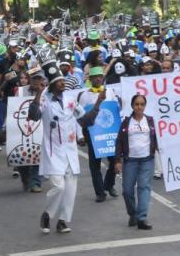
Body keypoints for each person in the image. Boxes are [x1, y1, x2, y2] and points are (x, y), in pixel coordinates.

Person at [28, 64, 83, 234]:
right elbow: (34, 116)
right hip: (53, 151)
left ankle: (62, 221)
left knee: (71, 188)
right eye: (59, 82)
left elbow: (83, 117)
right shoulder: (45, 100)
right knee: (59, 187)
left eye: (63, 81)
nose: (62, 84)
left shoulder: (70, 99)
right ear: (51, 85)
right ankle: (47, 214)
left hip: (70, 150)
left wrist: (99, 105)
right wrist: (38, 92)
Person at [76, 67, 119, 202]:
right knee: (95, 164)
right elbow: (80, 116)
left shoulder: (110, 92)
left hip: (109, 133)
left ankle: (109, 184)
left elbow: (116, 110)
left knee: (114, 160)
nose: (98, 79)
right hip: (93, 133)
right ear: (90, 79)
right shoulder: (84, 95)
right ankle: (100, 192)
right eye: (95, 77)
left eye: (100, 76)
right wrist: (80, 135)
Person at [114, 94, 157, 230]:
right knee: (127, 191)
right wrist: (117, 161)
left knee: (144, 187)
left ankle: (142, 218)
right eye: (137, 104)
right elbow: (119, 141)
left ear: (145, 106)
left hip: (147, 160)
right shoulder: (126, 122)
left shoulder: (150, 121)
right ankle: (133, 213)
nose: (139, 107)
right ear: (132, 106)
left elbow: (159, 137)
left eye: (142, 104)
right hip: (130, 161)